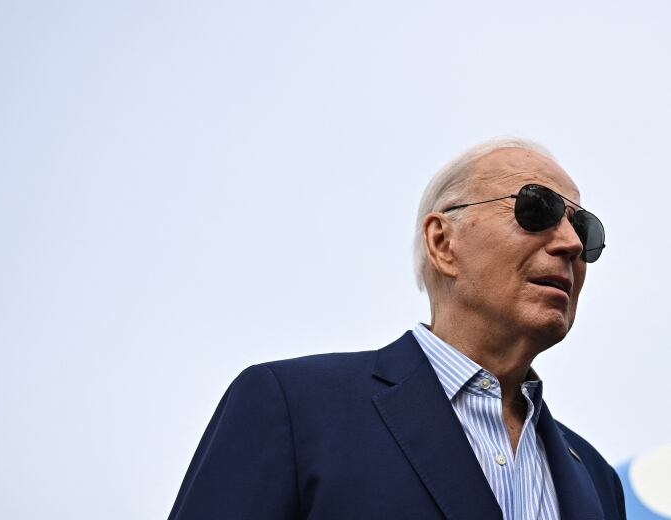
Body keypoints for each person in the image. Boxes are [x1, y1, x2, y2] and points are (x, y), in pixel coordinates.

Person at [168, 137, 625, 520]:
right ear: (442, 242)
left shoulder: (598, 482)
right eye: (536, 209)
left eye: (583, 229)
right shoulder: (293, 408)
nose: (569, 243)